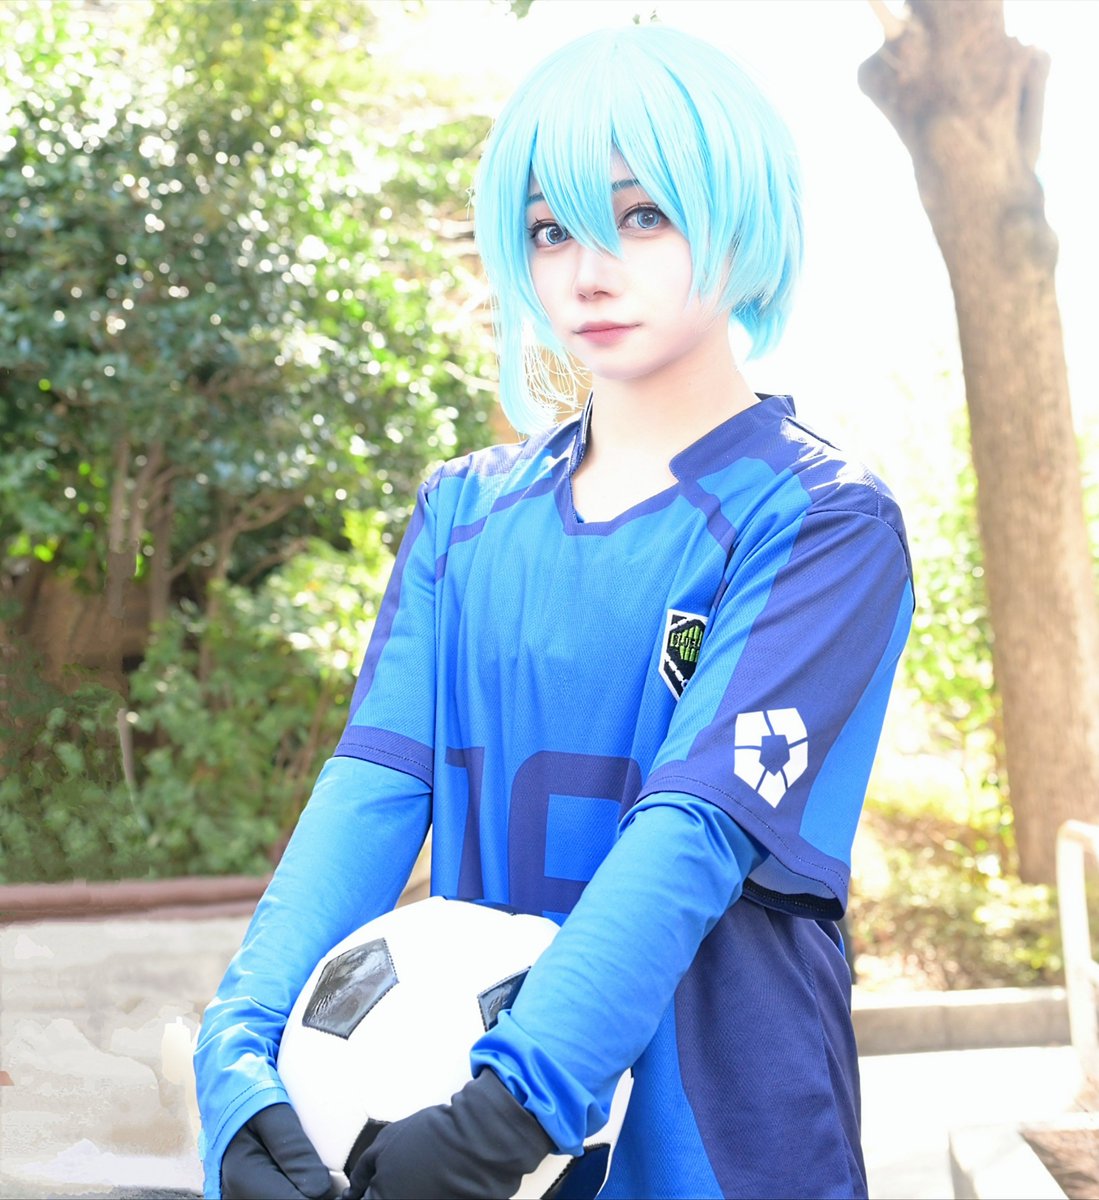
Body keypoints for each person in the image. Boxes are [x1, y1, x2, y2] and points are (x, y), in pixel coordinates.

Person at [194, 23, 914, 1200]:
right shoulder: (464, 514)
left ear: (741, 223)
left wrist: (513, 1109)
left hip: (716, 1150)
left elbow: (693, 832)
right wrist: (236, 1056)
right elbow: (374, 788)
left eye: (643, 216)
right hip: (458, 1123)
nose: (589, 270)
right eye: (550, 229)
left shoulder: (824, 524)